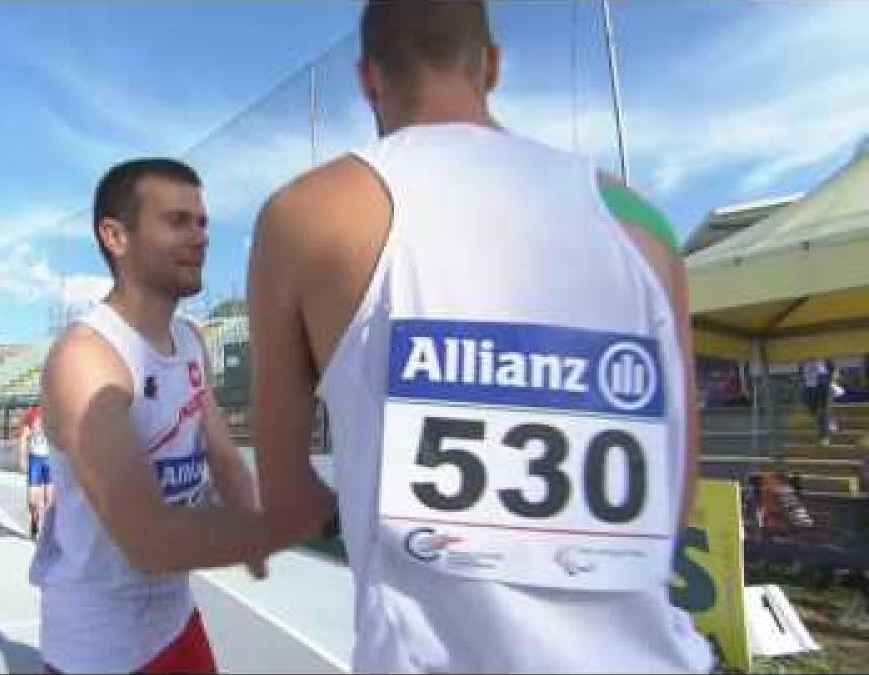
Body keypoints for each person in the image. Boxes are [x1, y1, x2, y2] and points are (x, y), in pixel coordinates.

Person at [243, 2, 712, 672]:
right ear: (490, 65)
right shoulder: (644, 226)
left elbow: (288, 502)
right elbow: (674, 496)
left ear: (367, 78)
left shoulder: (303, 214)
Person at [33, 158, 275, 674]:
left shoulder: (190, 339)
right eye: (177, 221)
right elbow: (150, 543)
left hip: (174, 621)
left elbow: (224, 456)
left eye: (203, 221)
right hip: (97, 650)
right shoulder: (87, 359)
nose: (201, 236)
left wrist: (251, 518)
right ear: (116, 236)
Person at [18, 405, 53, 538]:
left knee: (50, 501)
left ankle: (48, 532)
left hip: (51, 459)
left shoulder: (56, 411)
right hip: (35, 460)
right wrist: (22, 458)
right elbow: (23, 437)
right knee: (33, 501)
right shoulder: (32, 413)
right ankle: (34, 520)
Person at [800, 357, 837, 445]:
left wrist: (832, 381)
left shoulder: (822, 352)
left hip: (822, 379)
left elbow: (831, 366)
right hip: (808, 381)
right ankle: (829, 421)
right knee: (812, 410)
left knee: (822, 409)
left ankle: (824, 436)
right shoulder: (802, 353)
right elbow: (801, 367)